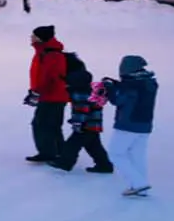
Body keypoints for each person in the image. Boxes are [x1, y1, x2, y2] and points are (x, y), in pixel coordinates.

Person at [102, 55, 159, 197]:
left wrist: (110, 89)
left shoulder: (132, 85)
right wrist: (118, 85)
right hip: (145, 124)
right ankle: (141, 187)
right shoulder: (148, 82)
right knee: (137, 155)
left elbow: (119, 100)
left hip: (128, 124)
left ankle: (139, 183)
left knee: (116, 153)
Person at [52, 52, 112, 173]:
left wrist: (78, 122)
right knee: (94, 146)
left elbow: (81, 109)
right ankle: (104, 165)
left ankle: (65, 163)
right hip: (94, 124)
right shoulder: (90, 91)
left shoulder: (79, 93)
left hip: (85, 125)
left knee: (72, 144)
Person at [24, 25, 69, 163]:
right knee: (50, 124)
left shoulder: (51, 54)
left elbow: (49, 78)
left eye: (34, 36)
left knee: (42, 124)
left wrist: (37, 92)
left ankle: (50, 153)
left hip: (53, 96)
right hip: (51, 95)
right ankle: (58, 152)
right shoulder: (44, 52)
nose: (31, 38)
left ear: (41, 38)